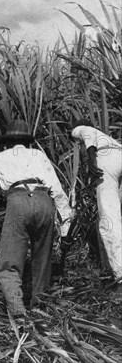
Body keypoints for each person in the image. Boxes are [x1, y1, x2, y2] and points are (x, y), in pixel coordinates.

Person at [0, 119, 74, 327]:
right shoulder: (38, 155)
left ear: (6, 142)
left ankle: (18, 313)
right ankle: (39, 307)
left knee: (9, 263)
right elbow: (57, 191)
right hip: (43, 200)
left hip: (18, 200)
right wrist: (65, 228)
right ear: (28, 142)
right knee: (42, 258)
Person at [70, 119, 122, 290]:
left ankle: (120, 276)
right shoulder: (108, 138)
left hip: (106, 162)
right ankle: (111, 268)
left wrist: (92, 159)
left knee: (109, 219)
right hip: (119, 158)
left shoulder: (82, 130)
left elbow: (87, 133)